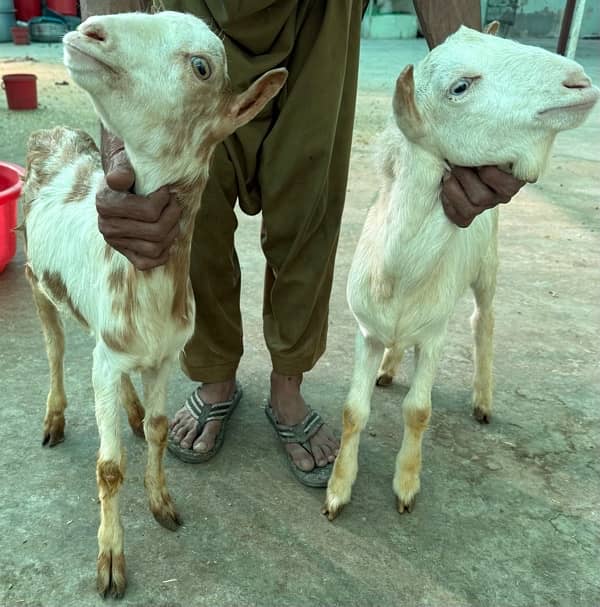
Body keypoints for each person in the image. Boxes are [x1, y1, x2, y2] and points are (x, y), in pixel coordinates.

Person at [82, 0, 525, 487]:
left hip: (320, 14)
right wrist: (122, 151)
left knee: (308, 201)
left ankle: (287, 381)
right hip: (196, 8)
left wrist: (469, 100)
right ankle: (214, 374)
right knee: (185, 209)